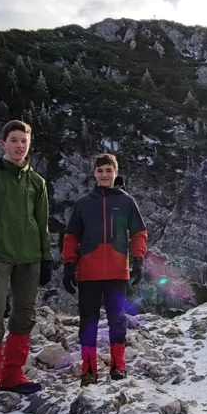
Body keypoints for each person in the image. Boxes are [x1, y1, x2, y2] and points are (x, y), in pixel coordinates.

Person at [0, 120, 55, 398]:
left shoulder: (37, 182)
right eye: (14, 140)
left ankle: (13, 374)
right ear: (3, 144)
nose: (19, 146)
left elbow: (42, 223)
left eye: (24, 141)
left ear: (29, 145)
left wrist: (46, 258)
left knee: (25, 314)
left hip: (30, 258)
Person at [61, 153, 148, 385]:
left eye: (109, 170)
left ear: (116, 172)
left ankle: (118, 366)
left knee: (117, 320)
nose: (104, 175)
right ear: (94, 174)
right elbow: (70, 237)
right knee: (88, 321)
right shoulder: (83, 204)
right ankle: (89, 369)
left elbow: (139, 233)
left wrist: (138, 261)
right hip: (88, 272)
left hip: (118, 272)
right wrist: (69, 265)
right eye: (100, 170)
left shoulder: (127, 202)